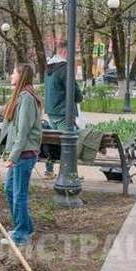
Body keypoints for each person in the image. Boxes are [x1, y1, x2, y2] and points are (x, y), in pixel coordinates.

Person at [0, 64, 43, 247]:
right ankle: (26, 227)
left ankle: (20, 234)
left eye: (13, 72)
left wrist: (13, 156)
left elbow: (23, 131)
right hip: (20, 154)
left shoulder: (26, 98)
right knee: (10, 190)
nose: (10, 75)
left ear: (21, 76)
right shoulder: (20, 96)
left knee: (18, 194)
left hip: (23, 155)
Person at [44, 41, 83, 177]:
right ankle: (69, 174)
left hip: (51, 111)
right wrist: (79, 96)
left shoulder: (49, 67)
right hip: (63, 112)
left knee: (53, 141)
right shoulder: (65, 68)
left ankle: (49, 170)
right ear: (65, 52)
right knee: (70, 143)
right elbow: (74, 91)